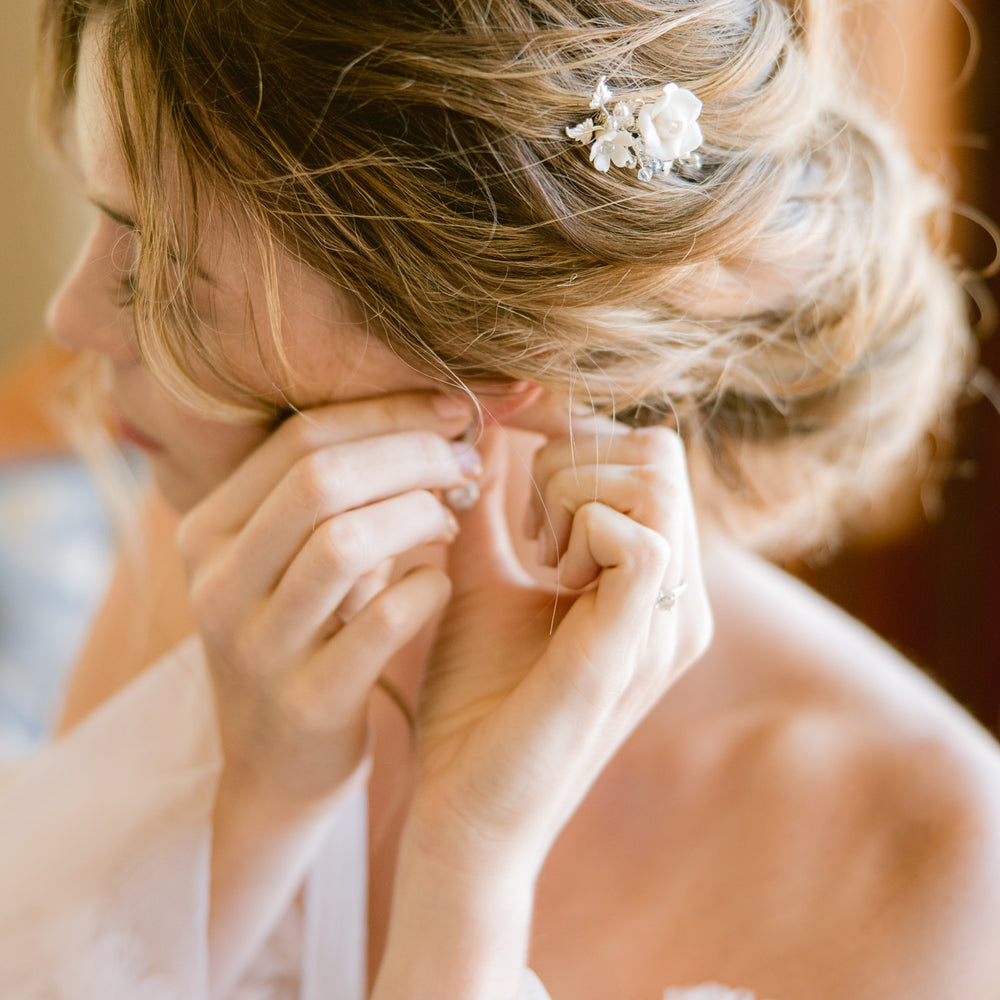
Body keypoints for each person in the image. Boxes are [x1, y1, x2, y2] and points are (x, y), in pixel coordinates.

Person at [3, 0, 999, 997]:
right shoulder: (243, 573)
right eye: (103, 214)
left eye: (167, 274)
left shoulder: (935, 859)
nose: (69, 317)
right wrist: (255, 796)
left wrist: (465, 871)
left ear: (500, 355)